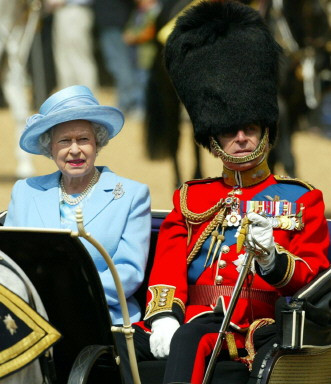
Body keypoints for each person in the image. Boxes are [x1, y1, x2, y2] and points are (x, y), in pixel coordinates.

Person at [113, 1, 330, 383]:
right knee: (119, 347)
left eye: (249, 127)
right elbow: (167, 265)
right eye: (229, 130)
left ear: (265, 130)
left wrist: (272, 261)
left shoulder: (302, 198)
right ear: (213, 137)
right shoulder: (190, 197)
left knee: (195, 338)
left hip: (260, 328)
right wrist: (164, 315)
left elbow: (314, 279)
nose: (241, 138)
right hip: (196, 320)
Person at [4, 84, 151, 325]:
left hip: (99, 318)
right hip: (31, 318)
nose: (75, 150)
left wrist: (67, 298)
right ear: (50, 147)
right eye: (64, 141)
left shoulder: (131, 195)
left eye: (83, 139)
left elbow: (128, 273)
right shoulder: (25, 191)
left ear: (97, 143)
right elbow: (10, 263)